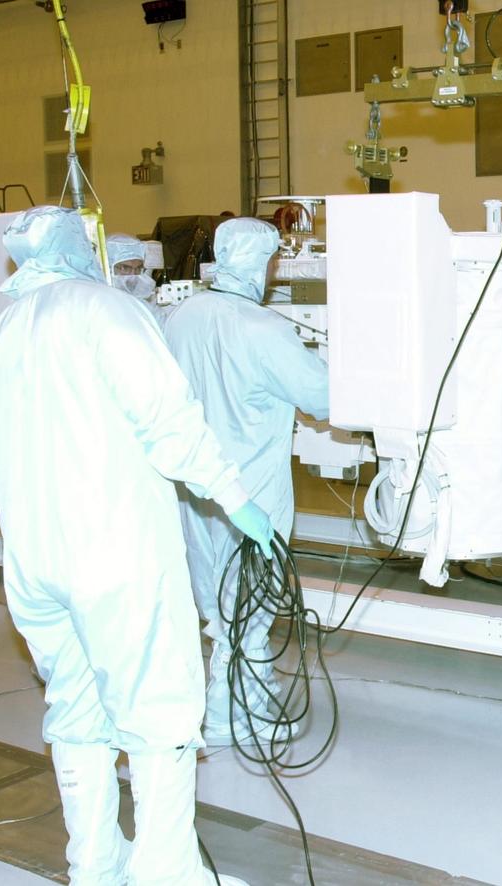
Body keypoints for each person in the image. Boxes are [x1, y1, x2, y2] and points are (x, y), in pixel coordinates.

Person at [0, 205, 271, 885]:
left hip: (36, 561)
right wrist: (234, 496)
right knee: (159, 711)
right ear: (83, 248)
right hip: (117, 554)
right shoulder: (110, 314)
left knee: (75, 706)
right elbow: (169, 424)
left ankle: (94, 865)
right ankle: (166, 873)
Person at [164, 217, 329, 745]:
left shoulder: (179, 317)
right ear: (265, 264)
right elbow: (322, 397)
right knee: (252, 603)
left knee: (214, 598)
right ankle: (239, 713)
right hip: (251, 488)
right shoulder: (265, 329)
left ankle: (225, 703)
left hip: (195, 487)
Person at [106, 232, 172, 324]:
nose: (133, 275)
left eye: (138, 268)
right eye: (125, 268)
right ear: (108, 267)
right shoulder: (99, 303)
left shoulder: (143, 303)